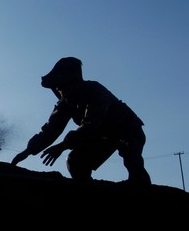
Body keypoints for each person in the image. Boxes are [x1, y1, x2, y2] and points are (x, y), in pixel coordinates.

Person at [11, 57, 152, 186]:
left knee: (133, 162)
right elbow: (52, 129)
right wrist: (28, 151)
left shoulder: (95, 91)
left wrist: (62, 146)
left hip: (127, 129)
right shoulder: (66, 103)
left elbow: (90, 125)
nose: (59, 90)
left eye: (61, 85)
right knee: (75, 161)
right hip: (101, 136)